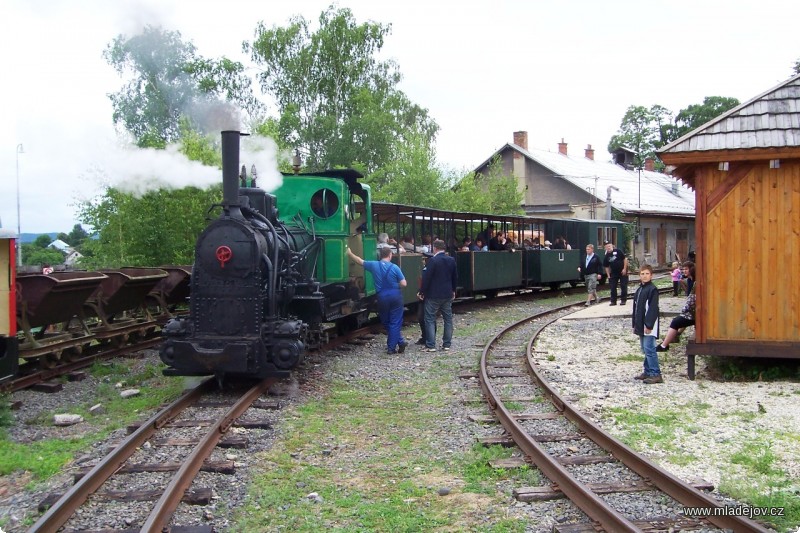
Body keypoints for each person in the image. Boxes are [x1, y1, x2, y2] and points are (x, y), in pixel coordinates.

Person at [346, 246, 408, 354]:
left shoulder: (374, 265)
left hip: (382, 297)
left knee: (386, 321)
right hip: (395, 295)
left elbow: (360, 261)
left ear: (380, 255)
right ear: (390, 255)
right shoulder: (395, 267)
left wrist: (350, 253)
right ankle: (392, 347)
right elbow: (404, 283)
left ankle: (400, 342)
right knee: (395, 321)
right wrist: (394, 285)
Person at [420, 239, 457, 352]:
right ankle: (446, 344)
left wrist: (422, 291)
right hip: (447, 293)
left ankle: (431, 345)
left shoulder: (433, 261)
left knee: (430, 318)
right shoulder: (451, 260)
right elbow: (455, 277)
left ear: (435, 248)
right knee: (448, 319)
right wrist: (453, 290)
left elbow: (427, 278)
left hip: (433, 294)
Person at [632, 264, 662, 384]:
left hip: (649, 325)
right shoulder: (639, 290)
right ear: (639, 275)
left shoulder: (652, 290)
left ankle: (656, 373)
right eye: (642, 274)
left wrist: (649, 325)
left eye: (647, 274)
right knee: (645, 348)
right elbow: (636, 309)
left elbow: (653, 309)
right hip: (640, 324)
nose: (644, 276)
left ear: (651, 275)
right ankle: (648, 371)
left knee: (650, 349)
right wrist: (634, 324)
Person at [657, 263, 697, 352]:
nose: (684, 271)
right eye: (683, 269)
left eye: (686, 269)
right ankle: (676, 335)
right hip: (694, 312)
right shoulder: (690, 281)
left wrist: (686, 308)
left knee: (675, 322)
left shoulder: (696, 283)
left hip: (696, 312)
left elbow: (692, 299)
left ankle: (664, 346)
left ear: (692, 270)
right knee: (682, 317)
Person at [603, 241, 628, 305]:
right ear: (605, 248)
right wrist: (608, 275)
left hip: (622, 271)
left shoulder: (618, 251)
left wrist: (624, 269)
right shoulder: (606, 256)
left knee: (623, 285)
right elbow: (606, 267)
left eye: (609, 246)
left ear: (612, 246)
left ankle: (623, 300)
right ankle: (613, 301)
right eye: (606, 246)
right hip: (614, 273)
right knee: (613, 287)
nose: (608, 247)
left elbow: (625, 259)